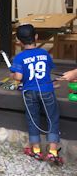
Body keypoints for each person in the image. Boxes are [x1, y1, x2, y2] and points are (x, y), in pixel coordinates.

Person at [9, 24, 62, 164]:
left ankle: (36, 150)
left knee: (32, 119)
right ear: (36, 37)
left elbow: (19, 77)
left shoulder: (19, 57)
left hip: (29, 92)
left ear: (19, 41)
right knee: (52, 118)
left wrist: (12, 75)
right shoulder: (44, 53)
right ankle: (52, 152)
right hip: (47, 91)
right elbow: (47, 71)